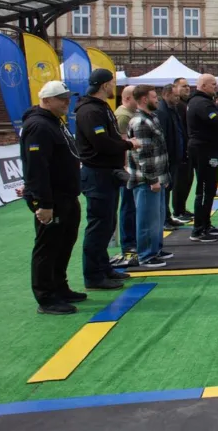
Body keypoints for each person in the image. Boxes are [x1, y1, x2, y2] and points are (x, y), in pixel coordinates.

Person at [22, 81, 83, 315]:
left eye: (68, 97)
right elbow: (37, 168)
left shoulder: (55, 123)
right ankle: (46, 298)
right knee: (47, 247)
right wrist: (43, 203)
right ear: (46, 100)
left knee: (64, 243)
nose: (67, 101)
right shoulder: (39, 126)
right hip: (52, 198)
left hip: (66, 195)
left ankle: (60, 287)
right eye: (61, 98)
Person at [75, 69, 138, 291]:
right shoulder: (90, 111)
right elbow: (102, 142)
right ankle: (93, 276)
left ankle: (103, 267)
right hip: (97, 173)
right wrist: (128, 144)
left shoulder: (101, 108)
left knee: (108, 223)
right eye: (112, 83)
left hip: (107, 172)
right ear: (103, 85)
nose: (114, 87)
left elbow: (109, 138)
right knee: (99, 225)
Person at [126, 85, 173, 269]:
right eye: (154, 97)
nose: (157, 100)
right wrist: (153, 179)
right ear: (144, 99)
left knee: (157, 217)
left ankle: (156, 249)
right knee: (147, 219)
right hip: (147, 180)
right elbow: (144, 154)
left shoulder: (151, 117)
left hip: (158, 177)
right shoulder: (140, 122)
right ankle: (146, 255)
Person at [187, 74, 218, 242]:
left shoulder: (201, 102)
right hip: (204, 150)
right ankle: (198, 229)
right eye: (213, 84)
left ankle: (205, 223)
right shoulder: (201, 103)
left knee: (209, 189)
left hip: (208, 149)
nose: (216, 87)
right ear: (203, 85)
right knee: (205, 189)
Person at [111, 85, 140, 266]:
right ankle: (129, 245)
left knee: (132, 206)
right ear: (128, 98)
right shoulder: (123, 116)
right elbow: (122, 143)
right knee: (128, 206)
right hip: (128, 168)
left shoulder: (129, 114)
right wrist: (126, 167)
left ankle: (132, 241)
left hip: (133, 166)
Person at [155, 84, 185, 226]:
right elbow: (163, 137)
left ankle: (167, 216)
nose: (177, 99)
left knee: (169, 187)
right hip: (168, 157)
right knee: (165, 188)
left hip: (174, 155)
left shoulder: (172, 110)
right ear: (166, 94)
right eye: (175, 96)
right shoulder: (162, 112)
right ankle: (164, 219)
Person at [170, 78, 194, 223]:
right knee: (180, 181)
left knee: (188, 180)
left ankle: (182, 208)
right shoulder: (177, 105)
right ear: (175, 88)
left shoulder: (186, 104)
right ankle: (178, 210)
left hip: (188, 147)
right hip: (181, 149)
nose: (187, 88)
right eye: (184, 86)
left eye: (188, 86)